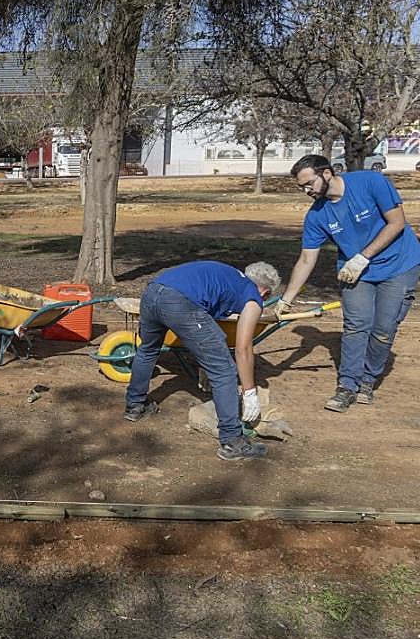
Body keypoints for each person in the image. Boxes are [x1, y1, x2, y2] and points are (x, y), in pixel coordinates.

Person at [278, 154, 420, 412]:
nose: (306, 191)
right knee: (356, 326)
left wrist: (363, 257)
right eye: (302, 187)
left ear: (327, 173)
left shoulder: (371, 182)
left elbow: (397, 222)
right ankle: (348, 385)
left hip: (399, 264)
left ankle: (368, 379)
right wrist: (286, 299)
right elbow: (307, 259)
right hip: (355, 271)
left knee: (383, 328)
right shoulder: (316, 216)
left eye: (309, 184)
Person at [124, 260, 281, 461]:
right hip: (179, 302)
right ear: (265, 291)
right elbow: (243, 349)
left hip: (153, 291)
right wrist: (249, 392)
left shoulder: (229, 277)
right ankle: (233, 442)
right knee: (224, 370)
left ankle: (135, 406)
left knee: (147, 349)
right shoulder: (253, 296)